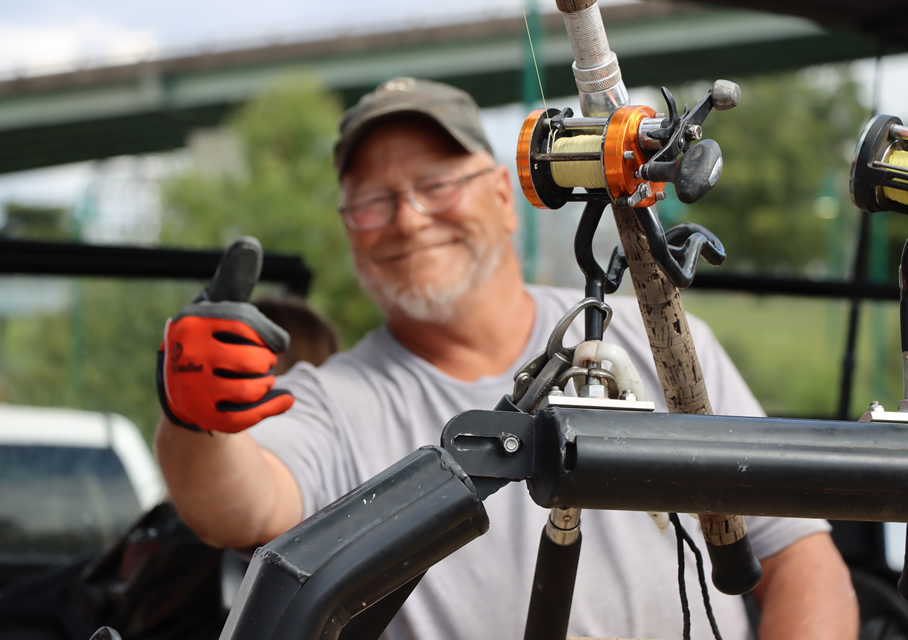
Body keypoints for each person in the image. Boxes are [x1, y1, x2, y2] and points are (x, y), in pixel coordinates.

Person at [154, 77, 858, 639]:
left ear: (504, 195)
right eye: (372, 200)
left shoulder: (662, 337)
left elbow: (797, 554)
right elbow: (237, 504)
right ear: (348, 230)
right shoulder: (336, 404)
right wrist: (195, 422)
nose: (407, 216)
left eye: (436, 184)